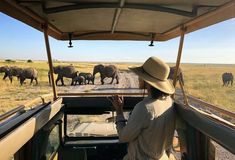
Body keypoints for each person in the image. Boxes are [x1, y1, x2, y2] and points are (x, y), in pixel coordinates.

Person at [109, 57, 176, 160]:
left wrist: (119, 111)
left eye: (141, 76)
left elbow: (123, 137)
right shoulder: (170, 102)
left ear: (147, 81)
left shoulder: (145, 107)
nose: (138, 78)